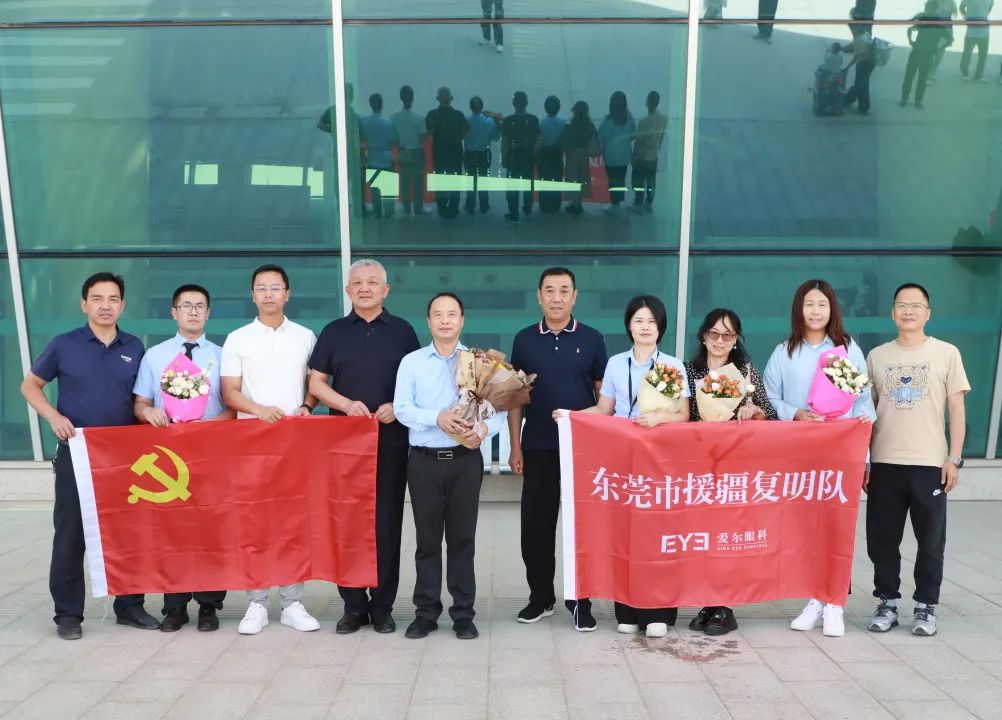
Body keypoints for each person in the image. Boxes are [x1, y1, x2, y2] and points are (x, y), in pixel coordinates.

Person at [20, 272, 158, 639]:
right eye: (97, 299)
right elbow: (30, 386)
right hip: (77, 453)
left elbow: (140, 400)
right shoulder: (64, 344)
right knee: (71, 535)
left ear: (122, 305)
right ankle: (68, 615)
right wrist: (54, 417)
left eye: (113, 299)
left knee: (127, 532)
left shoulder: (135, 347)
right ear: (84, 304)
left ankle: (130, 606)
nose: (105, 306)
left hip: (125, 456)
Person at [308, 260, 420, 635]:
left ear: (385, 290)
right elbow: (316, 383)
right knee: (348, 522)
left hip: (391, 441)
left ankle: (383, 606)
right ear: (348, 290)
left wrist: (397, 406)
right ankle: (353, 606)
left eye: (373, 282)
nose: (365, 288)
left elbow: (417, 382)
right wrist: (344, 404)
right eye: (357, 283)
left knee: (386, 523)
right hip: (344, 443)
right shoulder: (334, 331)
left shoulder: (403, 331)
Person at [763, 278, 875, 638]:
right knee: (805, 528)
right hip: (800, 455)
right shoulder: (784, 352)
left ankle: (834, 603)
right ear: (799, 309)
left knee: (837, 526)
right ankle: (815, 598)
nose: (815, 311)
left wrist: (865, 457)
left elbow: (863, 404)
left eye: (822, 304)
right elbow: (769, 397)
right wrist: (795, 413)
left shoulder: (847, 348)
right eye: (809, 304)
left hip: (840, 452)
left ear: (832, 310)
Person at [394, 292, 506, 640]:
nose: (445, 320)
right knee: (427, 541)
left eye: (452, 314)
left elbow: (499, 411)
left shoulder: (481, 362)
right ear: (429, 321)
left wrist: (483, 429)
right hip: (424, 462)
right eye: (438, 314)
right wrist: (437, 418)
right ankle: (425, 613)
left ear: (462, 321)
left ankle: (463, 614)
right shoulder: (412, 362)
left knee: (462, 539)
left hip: (464, 461)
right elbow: (401, 408)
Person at [220, 264, 320, 635]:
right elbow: (229, 392)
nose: (268, 294)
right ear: (253, 295)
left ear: (287, 294)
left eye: (275, 287)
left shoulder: (305, 337)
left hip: (294, 444)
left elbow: (315, 384)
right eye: (261, 287)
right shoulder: (238, 338)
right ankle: (256, 603)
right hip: (251, 443)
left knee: (293, 523)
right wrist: (259, 410)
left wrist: (306, 407)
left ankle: (292, 602)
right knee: (255, 523)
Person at [864, 283, 969, 637]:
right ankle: (887, 602)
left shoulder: (946, 353)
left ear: (928, 313)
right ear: (892, 313)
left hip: (930, 464)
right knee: (882, 539)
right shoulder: (877, 356)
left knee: (931, 540)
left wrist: (954, 458)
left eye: (916, 305)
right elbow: (866, 413)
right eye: (902, 305)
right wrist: (865, 461)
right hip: (884, 463)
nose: (908, 311)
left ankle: (926, 605)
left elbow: (956, 408)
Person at [507, 267, 608, 631]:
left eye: (564, 290)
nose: (556, 297)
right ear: (539, 296)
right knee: (536, 525)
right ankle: (541, 597)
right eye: (549, 290)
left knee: (582, 526)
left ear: (574, 296)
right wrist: (515, 446)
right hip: (537, 446)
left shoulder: (593, 339)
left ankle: (581, 600)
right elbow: (515, 398)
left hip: (582, 449)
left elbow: (603, 397)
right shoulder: (524, 340)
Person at [583, 295, 690, 638]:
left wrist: (660, 418)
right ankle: (627, 609)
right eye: (639, 320)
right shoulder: (616, 364)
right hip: (624, 457)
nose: (645, 327)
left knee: (659, 532)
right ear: (629, 325)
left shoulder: (673, 365)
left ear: (661, 327)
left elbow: (684, 414)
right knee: (625, 532)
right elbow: (604, 409)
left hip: (661, 458)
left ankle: (660, 611)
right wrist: (571, 416)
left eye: (652, 322)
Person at [133, 283, 234, 632]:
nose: (193, 311)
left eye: (200, 306)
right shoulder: (155, 355)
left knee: (211, 529)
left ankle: (209, 606)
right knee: (172, 530)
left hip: (211, 454)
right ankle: (174, 606)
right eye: (186, 305)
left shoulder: (223, 355)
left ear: (209, 313)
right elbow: (141, 403)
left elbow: (233, 408)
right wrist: (148, 414)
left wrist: (206, 427)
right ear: (173, 312)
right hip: (168, 457)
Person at [683, 309, 777, 637]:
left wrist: (754, 410)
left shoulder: (746, 372)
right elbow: (682, 414)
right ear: (703, 335)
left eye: (727, 335)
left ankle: (725, 606)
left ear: (736, 339)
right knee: (702, 538)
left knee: (726, 538)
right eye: (714, 333)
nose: (720, 340)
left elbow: (771, 414)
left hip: (734, 468)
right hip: (698, 466)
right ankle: (709, 602)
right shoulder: (688, 370)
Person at [426, 87, 469, 219]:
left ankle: (442, 207)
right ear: (452, 98)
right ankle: (453, 208)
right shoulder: (459, 115)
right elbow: (466, 135)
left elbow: (428, 132)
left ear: (437, 99)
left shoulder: (432, 114)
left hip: (439, 150)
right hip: (455, 151)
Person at [900, 0, 950, 109]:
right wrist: (938, 48)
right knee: (915, 78)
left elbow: (950, 39)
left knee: (915, 78)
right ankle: (912, 100)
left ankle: (909, 100)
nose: (927, 9)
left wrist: (911, 41)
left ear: (933, 8)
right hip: (923, 53)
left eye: (928, 7)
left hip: (920, 52)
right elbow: (949, 39)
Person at [501, 90, 540, 224]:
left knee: (512, 184)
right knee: (528, 182)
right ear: (526, 103)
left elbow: (505, 142)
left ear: (513, 104)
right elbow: (538, 140)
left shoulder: (508, 120)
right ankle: (528, 208)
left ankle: (513, 213)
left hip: (514, 154)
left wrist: (504, 158)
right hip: (528, 154)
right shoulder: (534, 119)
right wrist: (536, 155)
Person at [391, 85, 428, 215]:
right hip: (416, 152)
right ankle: (418, 209)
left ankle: (406, 208)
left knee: (404, 182)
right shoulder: (419, 118)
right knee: (418, 183)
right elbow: (423, 139)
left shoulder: (393, 117)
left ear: (401, 97)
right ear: (412, 98)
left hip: (402, 151)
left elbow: (393, 138)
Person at [361, 93, 398, 219]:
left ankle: (377, 211)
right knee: (388, 188)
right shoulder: (388, 122)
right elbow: (394, 139)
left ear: (370, 105)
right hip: (387, 158)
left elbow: (362, 138)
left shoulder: (364, 122)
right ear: (381, 105)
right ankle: (389, 211)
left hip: (372, 158)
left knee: (375, 189)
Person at [598, 91, 636, 214]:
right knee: (621, 178)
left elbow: (600, 138)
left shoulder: (606, 121)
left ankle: (614, 203)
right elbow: (633, 135)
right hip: (624, 156)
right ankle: (619, 201)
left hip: (610, 157)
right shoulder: (629, 117)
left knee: (612, 180)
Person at [630, 91, 667, 213]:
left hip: (642, 157)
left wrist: (634, 156)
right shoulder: (663, 118)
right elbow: (661, 135)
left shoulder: (643, 122)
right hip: (653, 156)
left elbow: (639, 142)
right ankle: (649, 203)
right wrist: (658, 147)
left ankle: (638, 203)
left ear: (647, 102)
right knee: (651, 181)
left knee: (638, 181)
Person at [562, 101, 600, 217]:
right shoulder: (590, 126)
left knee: (573, 179)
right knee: (582, 179)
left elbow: (564, 142)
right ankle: (579, 202)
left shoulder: (569, 126)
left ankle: (575, 204)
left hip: (572, 155)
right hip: (584, 155)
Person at [464, 96, 501, 215]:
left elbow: (464, 137)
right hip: (484, 153)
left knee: (471, 179)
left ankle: (470, 204)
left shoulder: (467, 121)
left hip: (470, 153)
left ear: (470, 107)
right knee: (483, 178)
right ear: (482, 106)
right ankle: (484, 205)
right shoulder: (489, 121)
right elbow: (496, 138)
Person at [537, 95, 565, 215]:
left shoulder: (541, 122)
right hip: (557, 153)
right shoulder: (563, 122)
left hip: (544, 153)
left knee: (544, 178)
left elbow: (539, 140)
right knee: (557, 178)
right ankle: (556, 204)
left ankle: (544, 204)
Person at [842, 32, 878, 115]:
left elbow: (856, 56)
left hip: (863, 64)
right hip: (871, 64)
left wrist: (847, 67)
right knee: (864, 85)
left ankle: (848, 99)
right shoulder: (866, 37)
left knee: (859, 85)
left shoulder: (859, 40)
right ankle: (863, 107)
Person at [959, 0, 993, 82]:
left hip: (984, 31)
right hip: (972, 31)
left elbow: (990, 6)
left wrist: (984, 15)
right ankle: (964, 73)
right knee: (967, 53)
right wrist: (966, 17)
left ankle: (979, 74)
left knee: (983, 54)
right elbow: (961, 7)